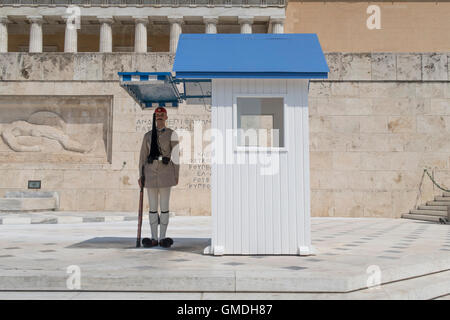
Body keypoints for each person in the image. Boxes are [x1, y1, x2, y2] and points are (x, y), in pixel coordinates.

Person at [138, 107, 180, 248]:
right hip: (150, 173)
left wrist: (176, 174)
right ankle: (153, 237)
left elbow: (176, 157)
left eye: (162, 115)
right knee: (152, 208)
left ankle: (162, 237)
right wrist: (141, 175)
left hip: (165, 173)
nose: (160, 117)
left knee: (164, 207)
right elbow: (142, 157)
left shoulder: (171, 134)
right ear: (155, 117)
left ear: (166, 117)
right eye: (157, 115)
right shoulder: (148, 136)